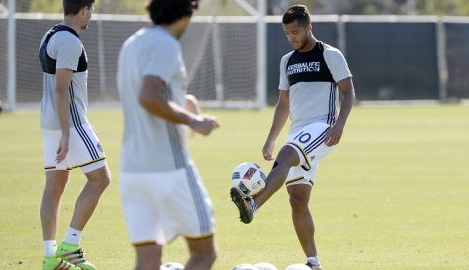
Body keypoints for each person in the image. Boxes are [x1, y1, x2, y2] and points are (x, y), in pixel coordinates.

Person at [230, 4, 355, 270]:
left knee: (287, 156)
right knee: (298, 198)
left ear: (309, 27)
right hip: (298, 132)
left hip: (323, 127)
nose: (292, 37)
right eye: (287, 33)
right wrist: (270, 138)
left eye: (296, 31)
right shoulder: (287, 61)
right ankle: (313, 262)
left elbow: (348, 92)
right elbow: (283, 103)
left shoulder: (330, 55)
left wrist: (340, 125)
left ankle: (253, 204)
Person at [116, 0, 219, 269]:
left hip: (132, 171)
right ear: (187, 12)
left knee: (148, 259)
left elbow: (150, 91)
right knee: (203, 253)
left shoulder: (131, 44)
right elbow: (148, 95)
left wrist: (182, 99)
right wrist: (193, 121)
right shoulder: (167, 44)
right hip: (168, 169)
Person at [38, 1, 111, 269]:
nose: (91, 14)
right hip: (70, 123)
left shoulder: (50, 34)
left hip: (49, 124)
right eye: (91, 9)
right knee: (101, 179)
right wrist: (67, 134)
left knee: (54, 188)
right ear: (83, 10)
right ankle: (71, 244)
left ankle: (50, 257)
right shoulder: (70, 41)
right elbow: (61, 89)